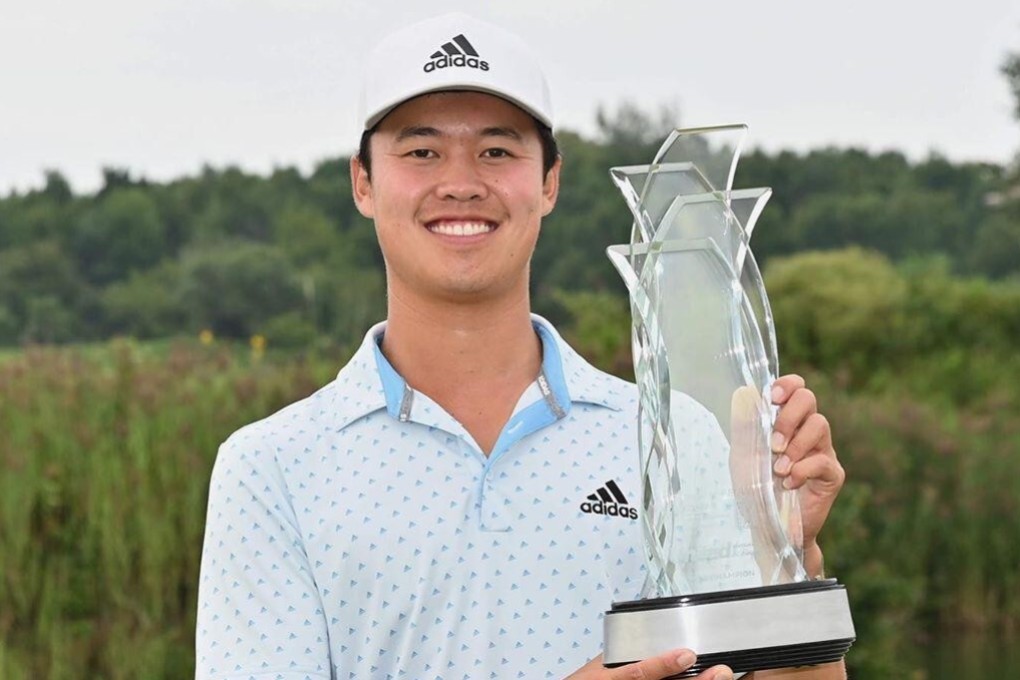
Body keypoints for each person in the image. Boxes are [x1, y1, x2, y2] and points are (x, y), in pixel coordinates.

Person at [196, 12, 846, 680]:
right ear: (363, 181)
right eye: (421, 151)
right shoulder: (272, 468)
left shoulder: (678, 435)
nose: (461, 182)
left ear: (549, 183)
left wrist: (789, 562)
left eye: (497, 151)